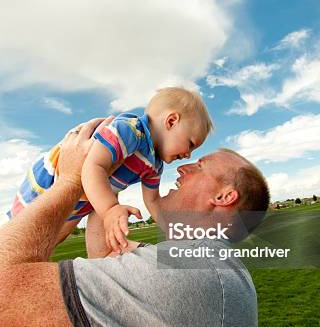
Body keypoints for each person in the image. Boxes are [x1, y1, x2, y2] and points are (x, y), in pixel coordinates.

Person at [0, 118, 270, 327]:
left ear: (224, 196)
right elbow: (108, 258)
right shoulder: (204, 266)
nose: (183, 167)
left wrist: (71, 180)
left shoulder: (191, 275)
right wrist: (105, 183)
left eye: (199, 166)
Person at [7, 87, 213, 254]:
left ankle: (98, 256)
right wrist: (111, 209)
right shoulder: (129, 130)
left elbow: (153, 201)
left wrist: (175, 230)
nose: (188, 155)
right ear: (171, 121)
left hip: (82, 201)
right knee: (22, 236)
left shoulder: (155, 164)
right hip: (48, 184)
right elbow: (93, 166)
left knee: (51, 241)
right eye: (191, 143)